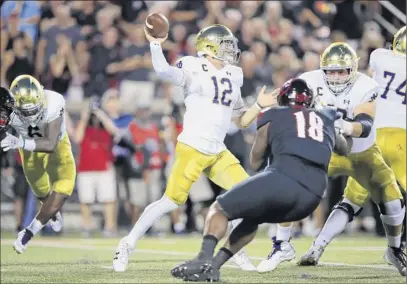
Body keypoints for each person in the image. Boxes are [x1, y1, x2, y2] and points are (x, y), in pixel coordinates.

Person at [112, 24, 277, 272]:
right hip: (193, 146)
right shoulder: (193, 65)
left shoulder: (233, 74)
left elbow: (241, 120)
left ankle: (235, 250)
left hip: (217, 150)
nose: (231, 50)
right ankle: (127, 244)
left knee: (249, 197)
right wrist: (155, 44)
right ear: (209, 48)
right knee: (170, 201)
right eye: (225, 45)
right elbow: (163, 71)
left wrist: (259, 106)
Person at [170, 78, 344, 282]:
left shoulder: (274, 114)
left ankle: (203, 259)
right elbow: (344, 147)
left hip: (284, 178)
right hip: (313, 196)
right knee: (252, 218)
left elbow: (255, 161)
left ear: (282, 99)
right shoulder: (326, 118)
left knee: (219, 208)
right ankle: (214, 268)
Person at [259, 42, 406, 276]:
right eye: (331, 71)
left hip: (361, 153)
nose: (336, 77)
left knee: (393, 201)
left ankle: (395, 249)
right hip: (323, 149)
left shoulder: (366, 85)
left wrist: (344, 126)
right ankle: (281, 245)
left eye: (342, 71)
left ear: (353, 69)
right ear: (322, 70)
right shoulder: (308, 80)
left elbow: (365, 125)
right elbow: (287, 105)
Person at [297, 26, 407, 273]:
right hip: (401, 139)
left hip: (372, 139)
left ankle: (318, 245)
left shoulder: (380, 55)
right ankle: (396, 249)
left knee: (351, 200)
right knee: (392, 200)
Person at [0, 75, 76, 254]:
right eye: (26, 112)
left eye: (35, 109)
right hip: (27, 150)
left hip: (56, 145)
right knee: (40, 189)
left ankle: (28, 233)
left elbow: (50, 144)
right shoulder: (7, 108)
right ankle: (51, 213)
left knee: (64, 186)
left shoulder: (54, 101)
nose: (32, 115)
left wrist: (19, 143)